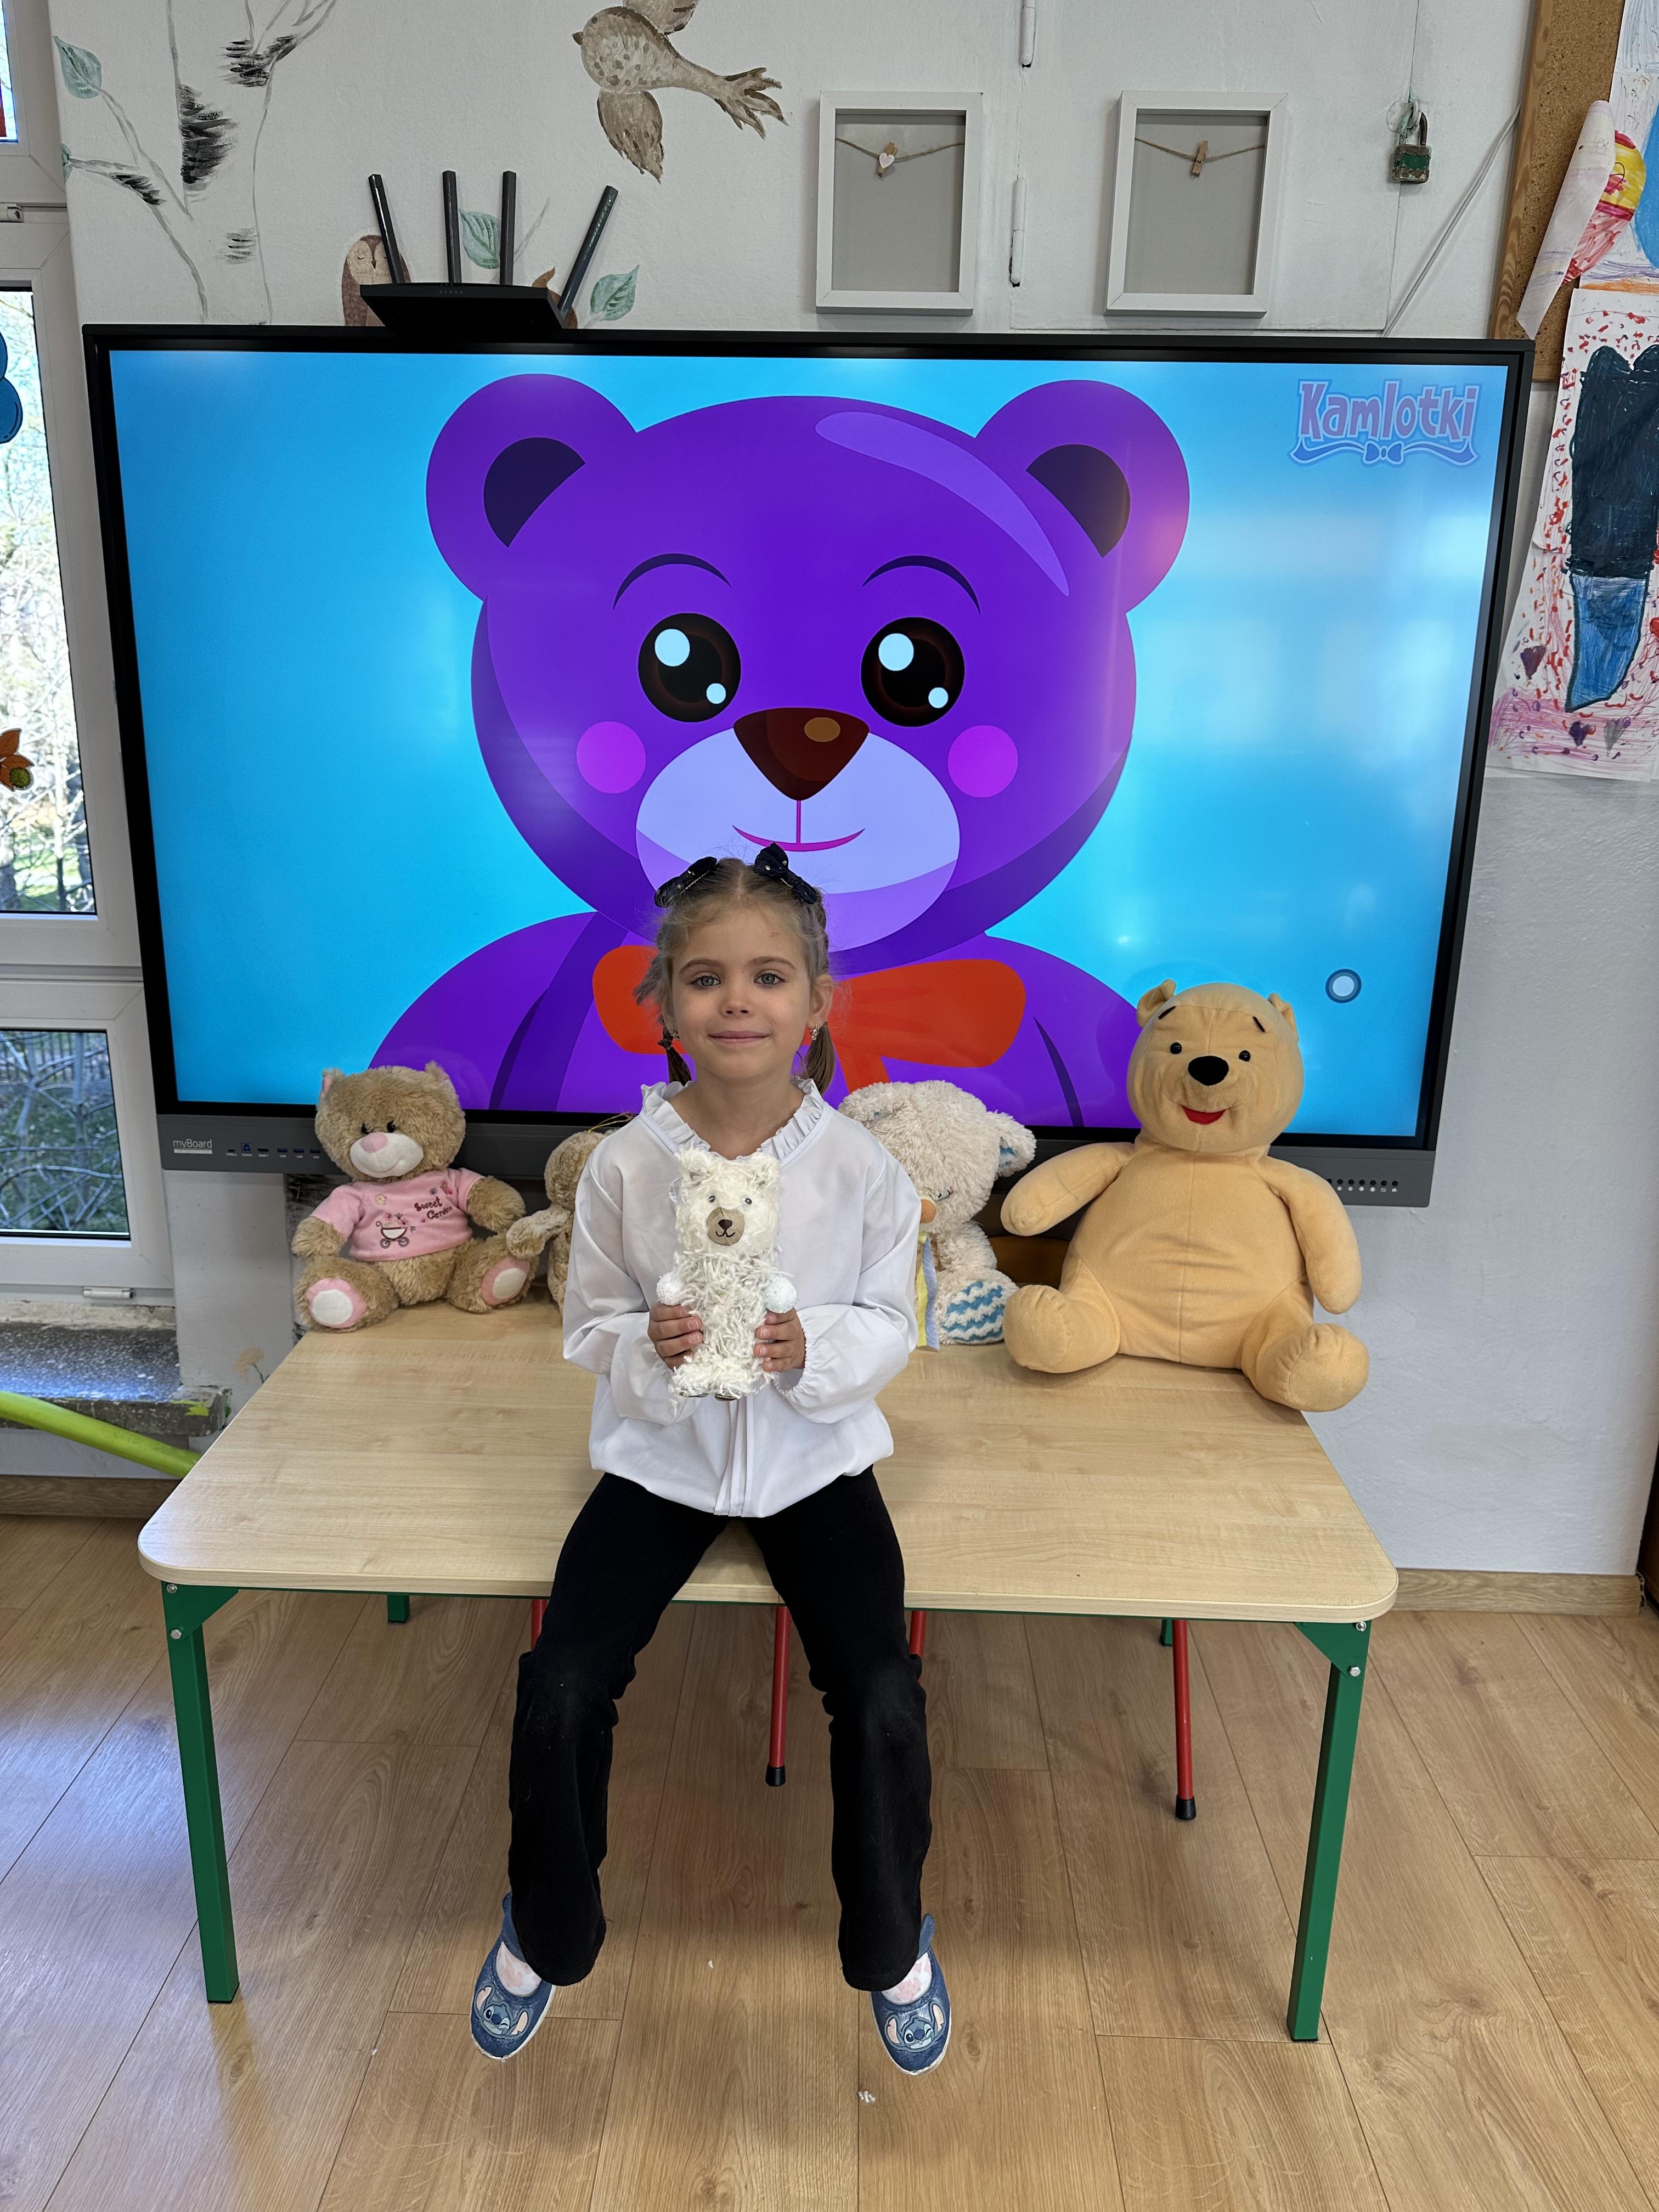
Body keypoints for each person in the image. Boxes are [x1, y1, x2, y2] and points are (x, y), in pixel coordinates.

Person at [470, 843, 949, 2074]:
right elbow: (589, 1324)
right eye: (706, 978)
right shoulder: (625, 1167)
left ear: (816, 1004)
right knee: (563, 1680)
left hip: (813, 1461)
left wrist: (813, 1350)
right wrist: (651, 1346)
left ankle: (891, 1940)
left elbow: (892, 1324)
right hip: (663, 1463)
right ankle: (548, 1923)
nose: (738, 1000)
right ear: (665, 1005)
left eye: (769, 977)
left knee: (881, 1691)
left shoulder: (864, 1171)